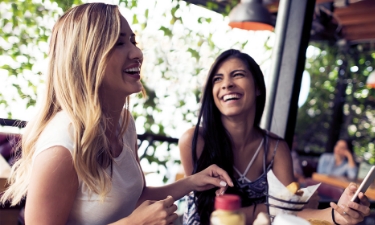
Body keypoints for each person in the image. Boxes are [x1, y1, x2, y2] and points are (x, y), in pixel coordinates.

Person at [0, 3, 234, 224]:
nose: (137, 53)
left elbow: (133, 197)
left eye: (133, 41)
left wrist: (193, 182)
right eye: (119, 43)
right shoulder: (61, 146)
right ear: (87, 57)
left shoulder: (123, 122)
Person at [179, 49, 370, 225]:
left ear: (258, 88)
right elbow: (207, 214)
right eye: (217, 79)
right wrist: (270, 209)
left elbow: (289, 215)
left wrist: (338, 214)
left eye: (238, 75)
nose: (227, 84)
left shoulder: (275, 148)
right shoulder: (195, 141)